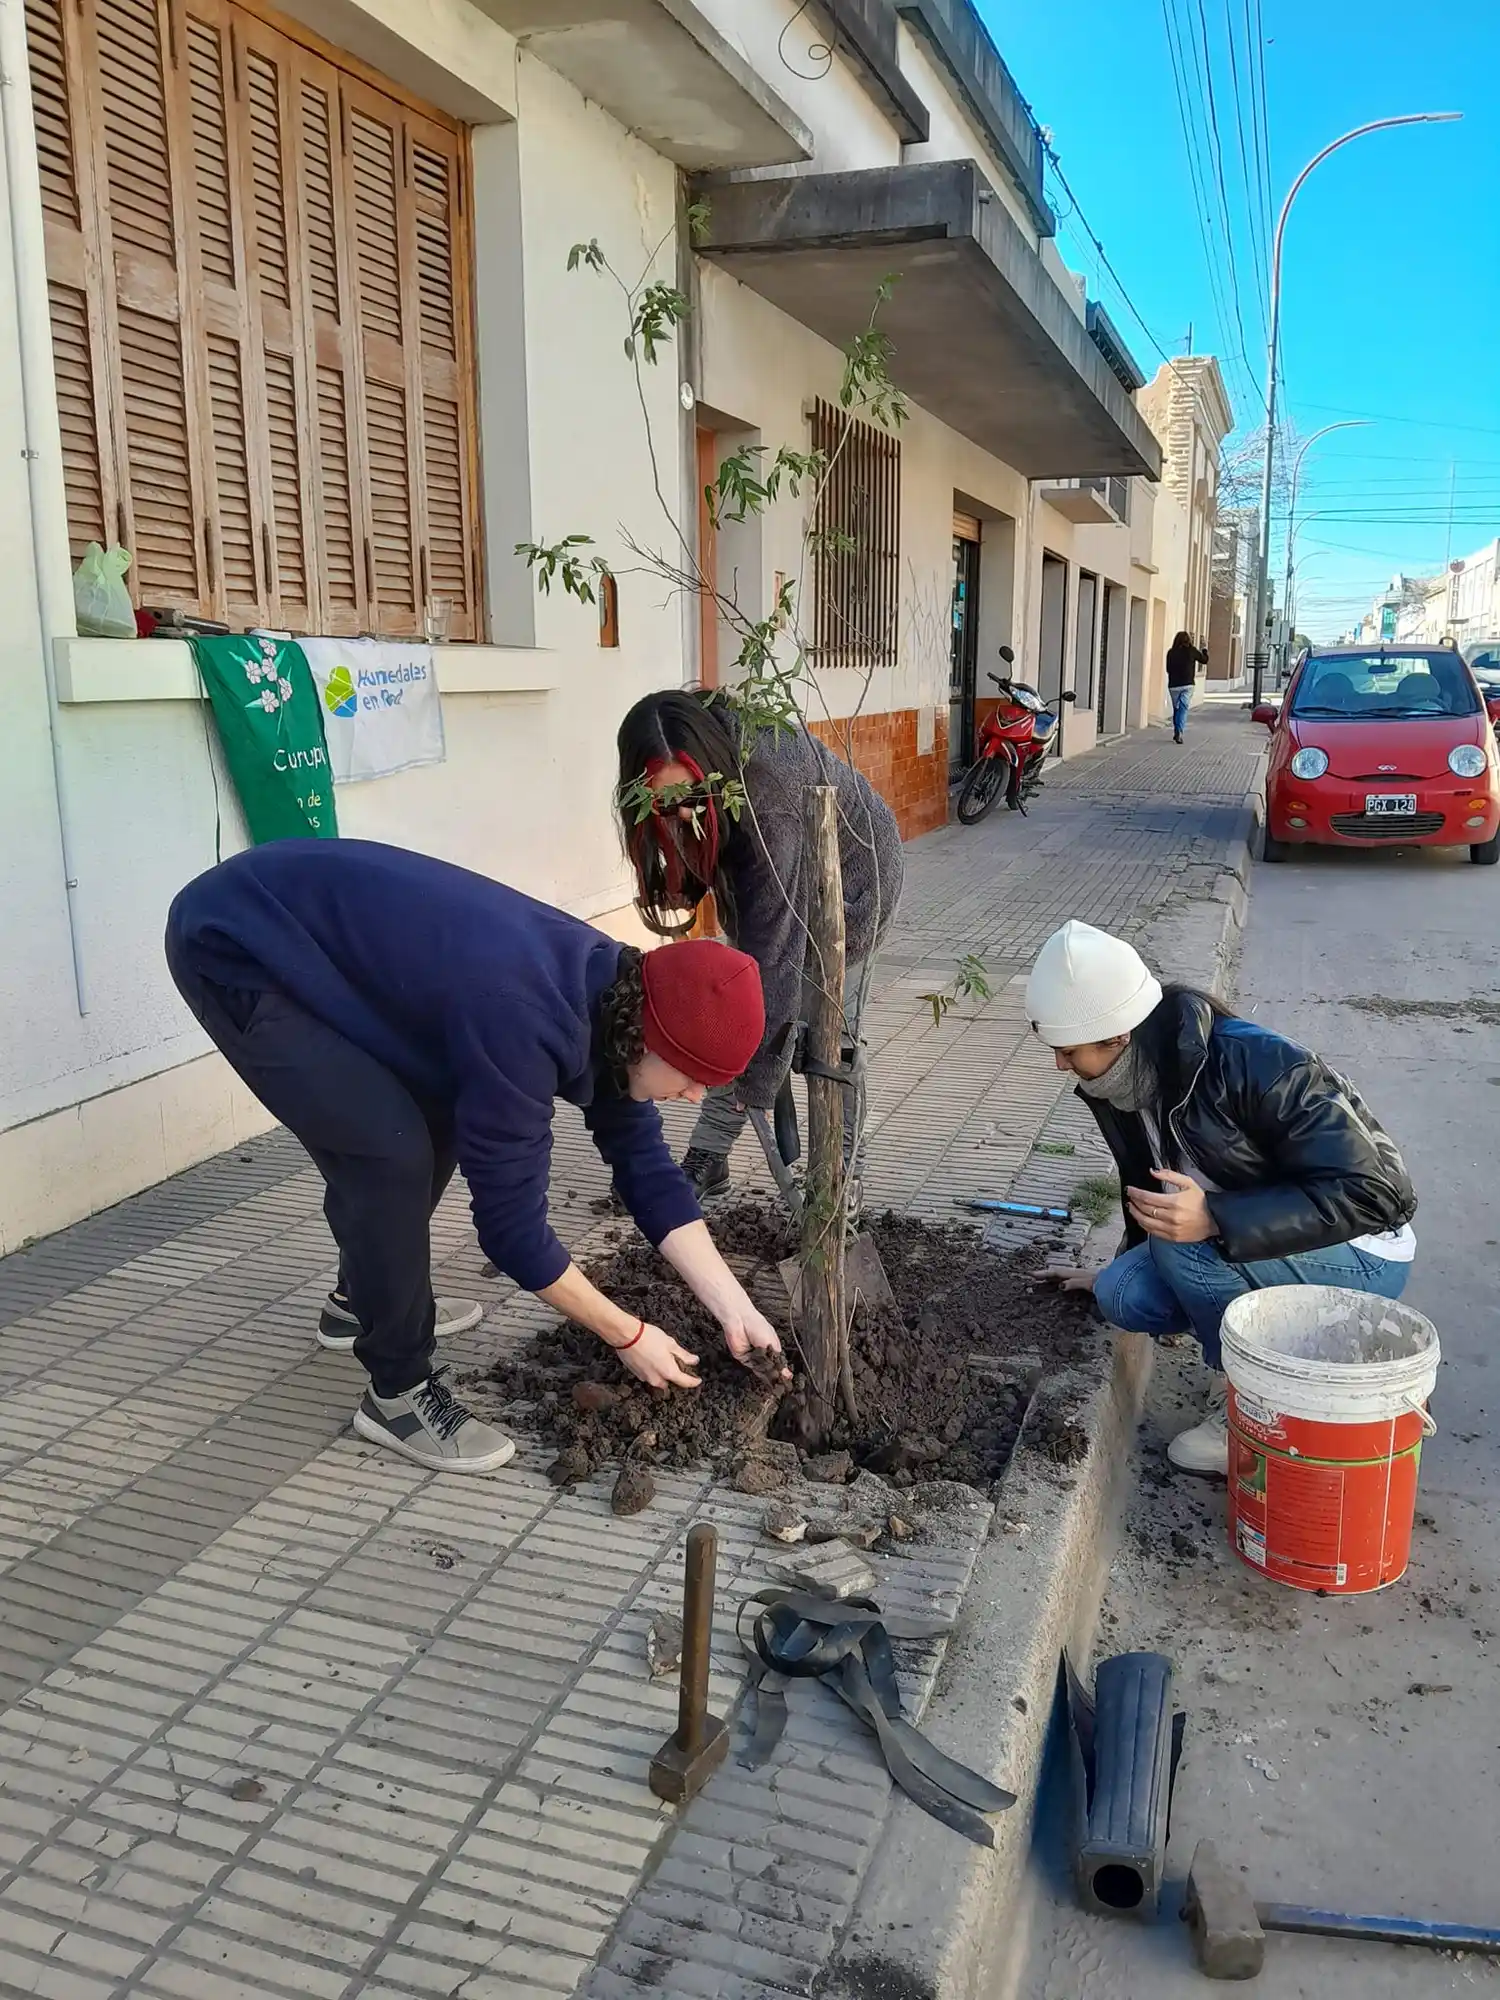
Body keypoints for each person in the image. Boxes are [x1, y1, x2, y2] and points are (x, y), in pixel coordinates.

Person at [165, 839, 788, 1476]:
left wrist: (735, 1308)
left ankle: (362, 1300)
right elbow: (511, 1231)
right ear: (648, 1039)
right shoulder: (523, 1018)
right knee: (388, 1153)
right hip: (238, 946)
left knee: (438, 1120)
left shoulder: (620, 995)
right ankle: (397, 1392)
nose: (692, 1096)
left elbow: (645, 1168)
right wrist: (627, 1333)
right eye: (689, 1077)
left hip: (315, 942)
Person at [1027, 921, 1416, 1476]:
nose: (1059, 1065)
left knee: (1181, 1243)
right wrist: (1115, 1264)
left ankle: (1248, 1404)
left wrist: (1215, 1218)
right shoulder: (1120, 1082)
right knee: (1123, 1293)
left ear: (1116, 1036)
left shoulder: (1256, 1063)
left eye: (1067, 1051)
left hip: (1360, 1251)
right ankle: (1269, 1341)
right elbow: (1151, 1191)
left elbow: (1379, 1195)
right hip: (1254, 1238)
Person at [616, 689, 904, 1198]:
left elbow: (773, 960)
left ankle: (836, 1180)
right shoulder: (700, 749)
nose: (681, 816)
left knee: (827, 1031)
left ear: (710, 769)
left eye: (689, 800)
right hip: (775, 870)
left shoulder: (771, 797)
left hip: (855, 882)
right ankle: (711, 1154)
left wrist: (755, 1080)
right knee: (738, 1006)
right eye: (665, 805)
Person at [1166, 631, 1208, 743]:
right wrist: (1204, 648)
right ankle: (1179, 731)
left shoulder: (1171, 652)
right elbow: (1204, 660)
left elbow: (1168, 669)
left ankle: (1177, 730)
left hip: (1174, 685)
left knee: (1177, 708)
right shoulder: (1192, 651)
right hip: (1187, 685)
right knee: (1183, 709)